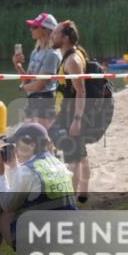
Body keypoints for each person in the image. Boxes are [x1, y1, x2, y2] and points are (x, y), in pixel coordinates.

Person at [0, 122, 76, 255]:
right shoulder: (58, 164)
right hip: (67, 241)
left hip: (43, 249)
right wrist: (14, 167)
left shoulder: (28, 171)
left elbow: (8, 204)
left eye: (17, 145)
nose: (15, 150)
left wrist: (0, 174)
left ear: (32, 145)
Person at [51, 20, 92, 202]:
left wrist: (76, 119)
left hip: (73, 114)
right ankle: (83, 194)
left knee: (73, 160)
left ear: (66, 38)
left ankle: (70, 202)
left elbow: (81, 91)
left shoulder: (72, 60)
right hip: (69, 113)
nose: (52, 36)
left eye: (56, 33)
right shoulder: (75, 54)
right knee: (81, 155)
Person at [12, 12, 61, 129]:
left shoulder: (52, 54)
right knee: (29, 135)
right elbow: (27, 80)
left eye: (34, 27)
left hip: (45, 100)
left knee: (41, 136)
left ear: (46, 30)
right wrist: (17, 65)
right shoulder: (35, 51)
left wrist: (22, 87)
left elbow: (39, 85)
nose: (31, 29)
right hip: (33, 99)